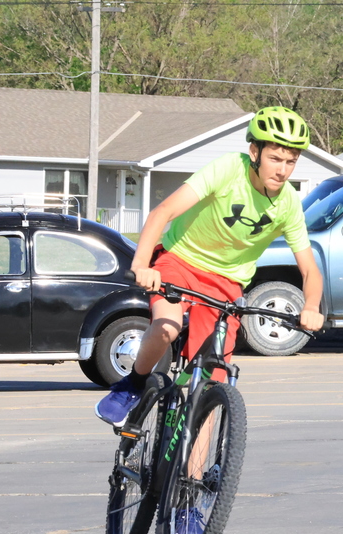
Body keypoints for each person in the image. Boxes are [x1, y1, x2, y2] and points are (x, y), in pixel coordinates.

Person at [95, 106, 325, 429]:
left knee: (213, 384)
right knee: (167, 327)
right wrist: (141, 264)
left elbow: (310, 271)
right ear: (255, 152)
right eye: (276, 158)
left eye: (291, 162)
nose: (283, 170)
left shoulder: (287, 204)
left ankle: (194, 477)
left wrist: (311, 306)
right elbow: (163, 212)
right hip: (181, 260)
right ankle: (132, 384)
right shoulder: (228, 169)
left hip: (226, 283)